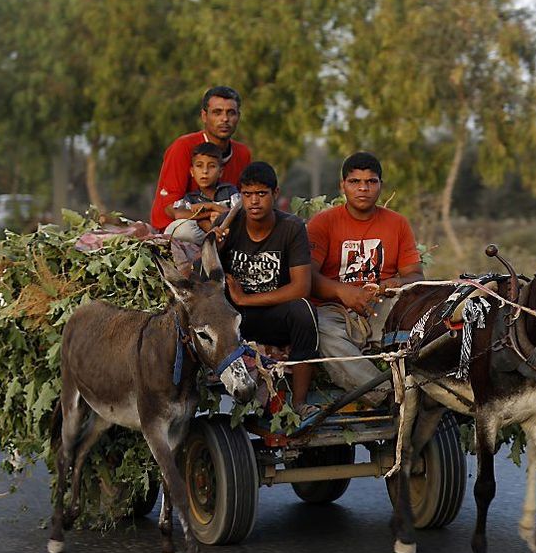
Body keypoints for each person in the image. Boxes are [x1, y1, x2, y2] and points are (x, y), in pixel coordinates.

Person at [307, 152, 425, 405]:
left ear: (380, 185)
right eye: (355, 182)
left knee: (421, 319)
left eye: (371, 182)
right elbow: (307, 275)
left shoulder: (397, 223)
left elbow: (415, 274)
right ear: (343, 186)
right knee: (319, 330)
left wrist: (397, 284)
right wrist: (342, 292)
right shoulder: (322, 223)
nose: (363, 188)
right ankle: (390, 396)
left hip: (380, 306)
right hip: (333, 309)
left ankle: (430, 384)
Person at [219, 161, 319, 417]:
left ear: (275, 194)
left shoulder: (291, 228)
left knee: (304, 311)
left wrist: (245, 299)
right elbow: (201, 276)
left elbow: (301, 287)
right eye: (247, 195)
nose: (254, 202)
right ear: (240, 196)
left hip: (270, 313)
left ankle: (299, 403)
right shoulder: (228, 224)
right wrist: (214, 245)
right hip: (233, 320)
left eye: (261, 194)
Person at [150, 85, 251, 232]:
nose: (224, 119)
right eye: (217, 113)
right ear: (204, 116)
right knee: (184, 231)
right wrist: (212, 211)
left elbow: (244, 202)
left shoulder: (242, 153)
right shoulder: (183, 147)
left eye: (231, 113)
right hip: (182, 226)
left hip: (224, 225)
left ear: (238, 117)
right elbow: (172, 209)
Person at [163, 143, 241, 245]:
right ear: (192, 171)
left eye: (212, 166)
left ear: (220, 172)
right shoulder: (191, 198)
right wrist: (209, 213)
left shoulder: (229, 191)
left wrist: (212, 206)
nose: (205, 171)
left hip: (228, 236)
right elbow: (179, 214)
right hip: (203, 238)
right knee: (178, 228)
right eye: (199, 166)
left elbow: (238, 214)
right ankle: (208, 245)